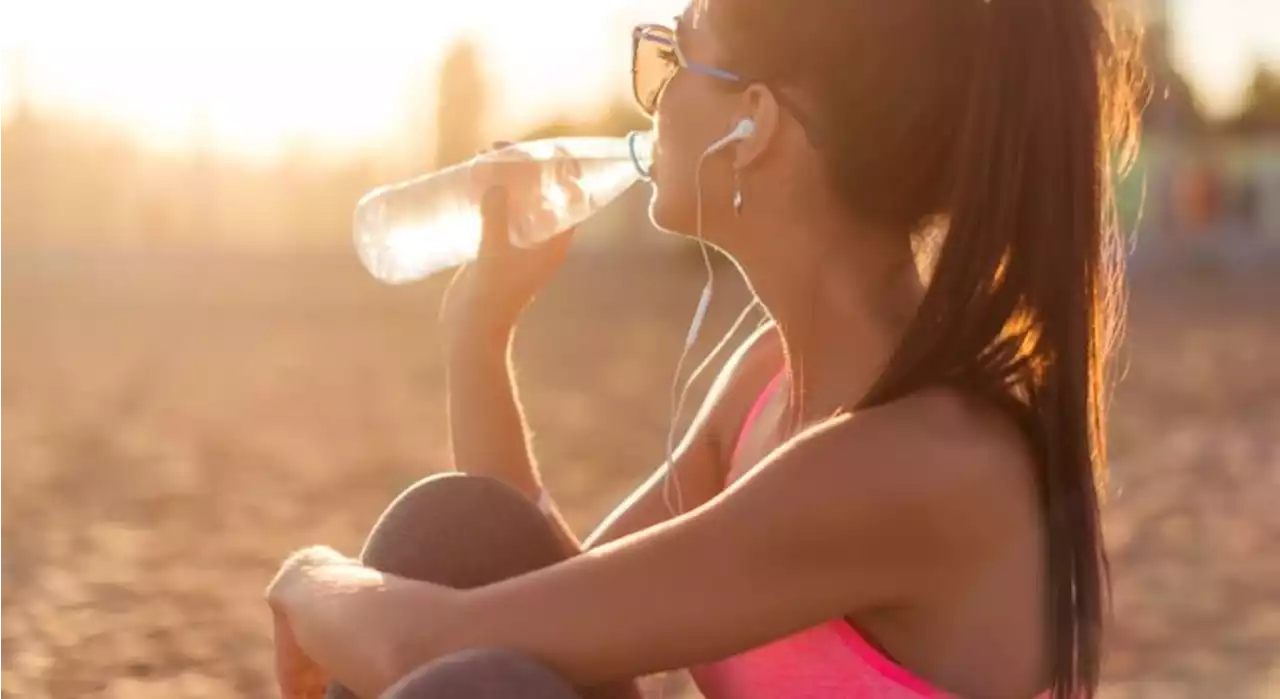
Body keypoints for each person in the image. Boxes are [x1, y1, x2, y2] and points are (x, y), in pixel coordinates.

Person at [266, 1, 1141, 697]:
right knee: (458, 530)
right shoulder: (769, 376)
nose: (652, 88)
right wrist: (480, 329)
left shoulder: (916, 462)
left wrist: (307, 580)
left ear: (751, 124)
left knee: (477, 673)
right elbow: (555, 609)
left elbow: (434, 644)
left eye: (677, 53)